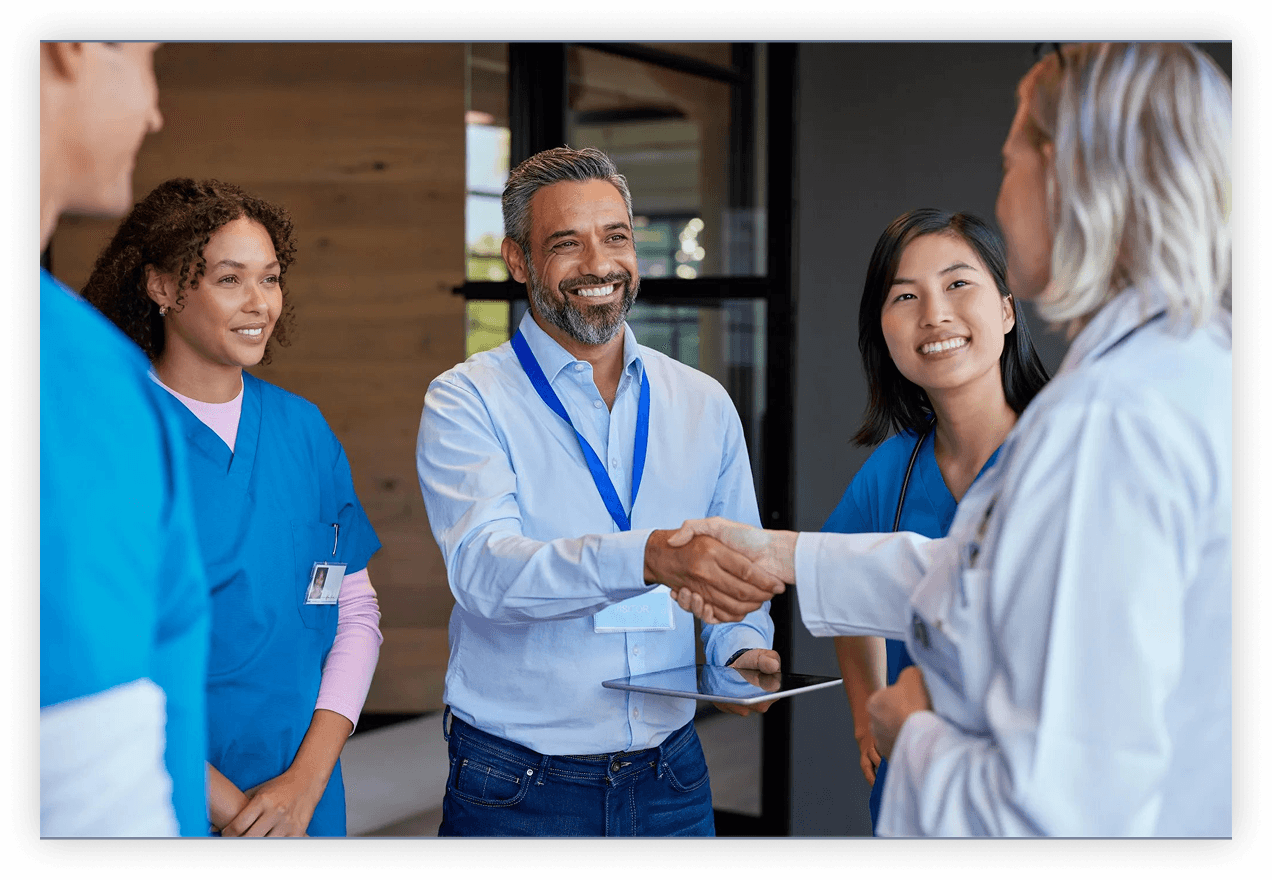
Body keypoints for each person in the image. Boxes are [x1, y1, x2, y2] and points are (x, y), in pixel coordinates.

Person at [669, 42, 1232, 837]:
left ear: (1074, 174)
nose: (1003, 202)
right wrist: (781, 555)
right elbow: (987, 573)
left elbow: (1057, 811)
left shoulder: (1109, 422)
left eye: (1010, 166)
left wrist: (910, 732)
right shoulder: (1183, 368)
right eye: (905, 297)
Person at [415, 146, 784, 837]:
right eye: (566, 244)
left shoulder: (703, 402)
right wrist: (646, 557)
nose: (599, 265)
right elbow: (486, 571)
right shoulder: (466, 401)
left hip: (673, 779)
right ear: (518, 261)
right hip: (518, 788)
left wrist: (738, 651)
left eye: (615, 237)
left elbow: (741, 567)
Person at [81, 178, 384, 837]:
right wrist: (237, 814)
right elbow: (100, 659)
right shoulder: (112, 440)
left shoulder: (305, 431)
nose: (260, 304)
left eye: (270, 279)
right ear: (161, 287)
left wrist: (304, 785)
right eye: (229, 279)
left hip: (302, 799)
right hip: (167, 799)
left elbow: (353, 611)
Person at [823, 208, 1049, 833]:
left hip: (1030, 797)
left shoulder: (1060, 457)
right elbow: (839, 583)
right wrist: (868, 712)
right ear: (883, 330)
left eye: (957, 284)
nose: (935, 314)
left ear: (1006, 310)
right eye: (905, 295)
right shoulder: (892, 469)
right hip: (917, 791)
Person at [39, 42, 211, 837]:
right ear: (71, 45)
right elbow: (82, 786)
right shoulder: (66, 376)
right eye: (147, 61)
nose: (153, 111)